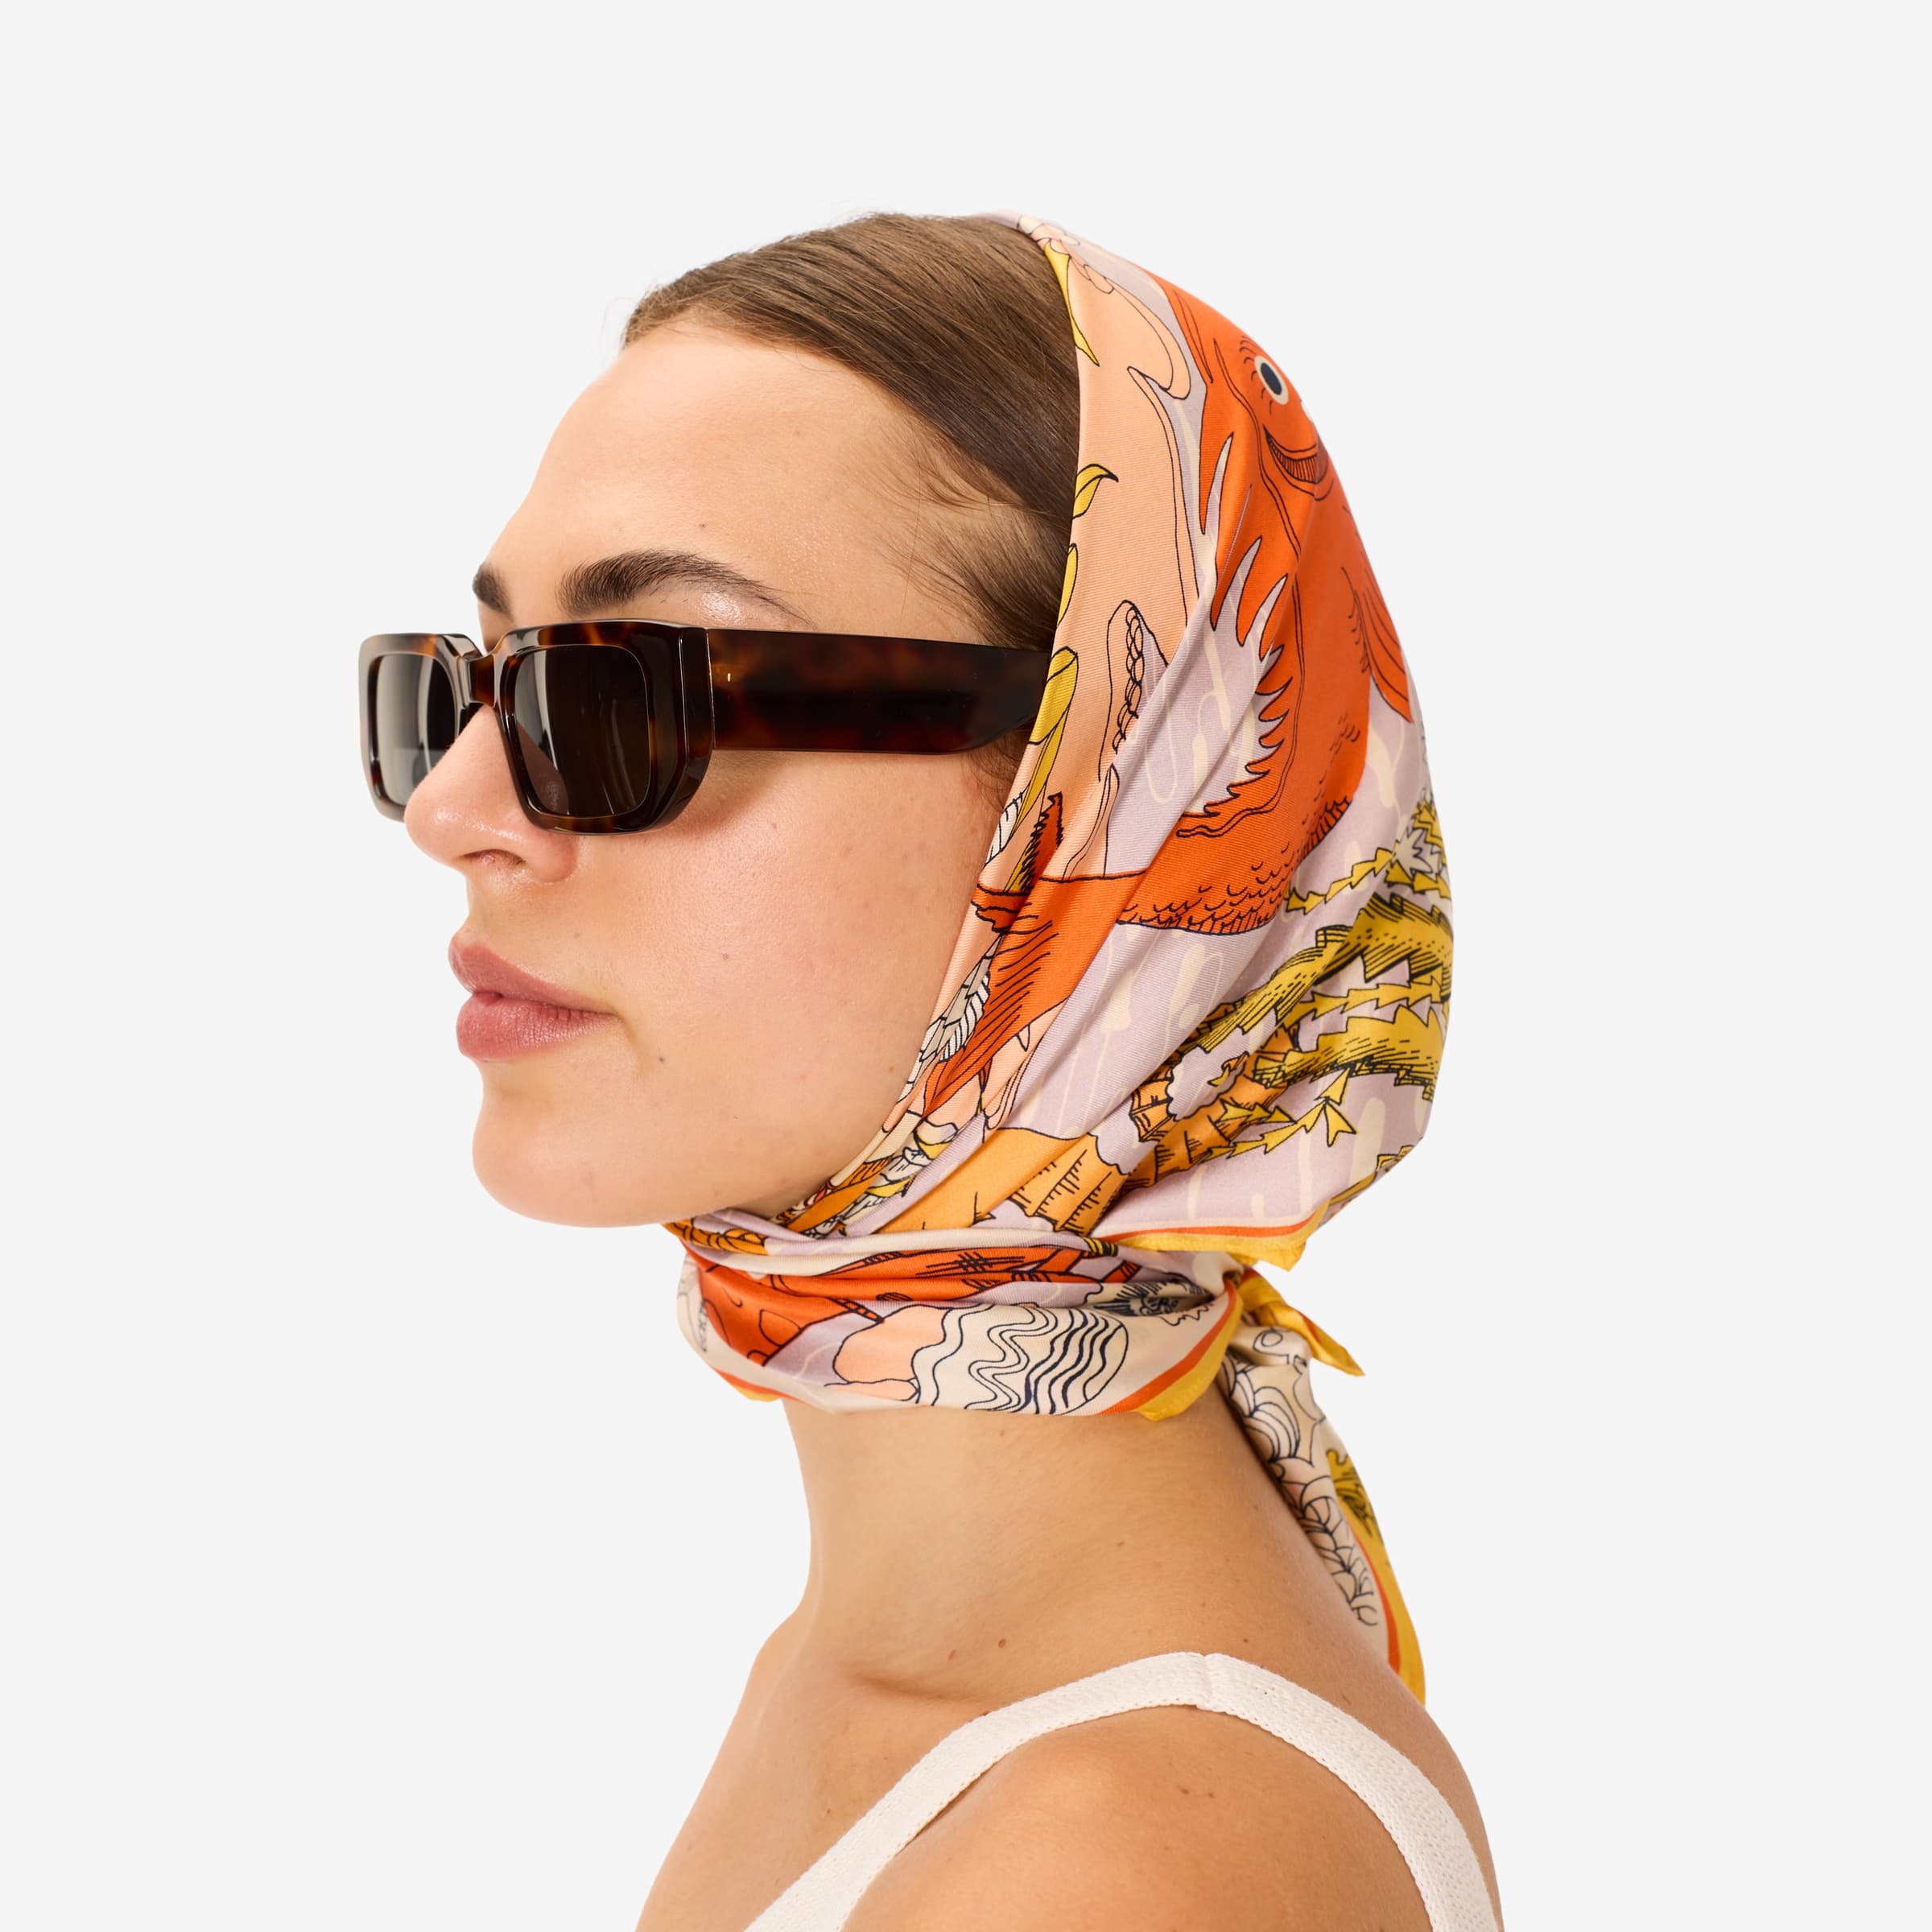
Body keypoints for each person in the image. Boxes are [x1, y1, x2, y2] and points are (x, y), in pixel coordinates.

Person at [357, 209, 1502, 1931]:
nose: (454, 811)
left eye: (631, 691)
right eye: (470, 686)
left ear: (1112, 803)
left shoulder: (1118, 1866)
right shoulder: (877, 1688)